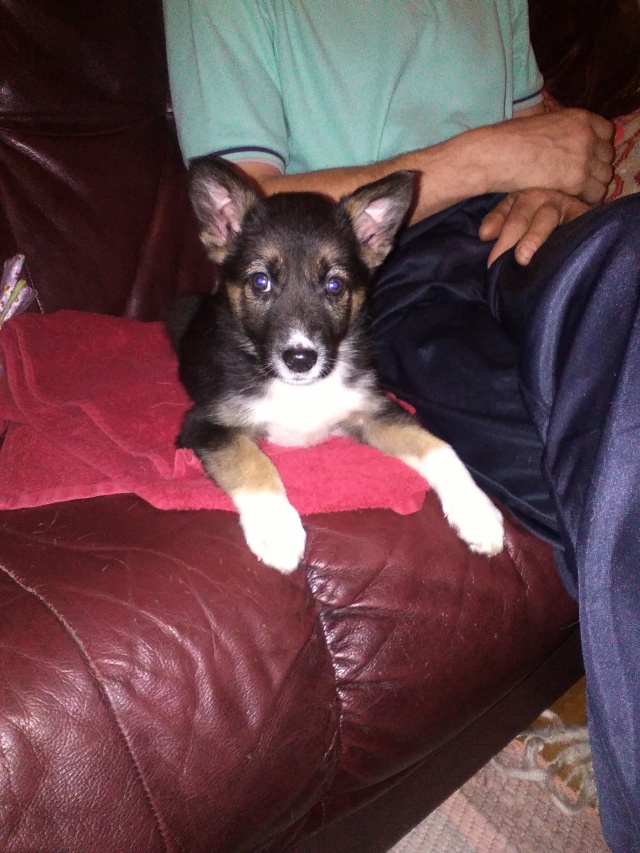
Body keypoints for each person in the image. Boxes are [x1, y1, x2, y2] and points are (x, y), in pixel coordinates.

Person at [162, 2, 640, 848]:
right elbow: (263, 213)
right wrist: (485, 158)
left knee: (625, 265)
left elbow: (544, 128)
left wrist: (576, 178)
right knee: (598, 470)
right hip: (402, 260)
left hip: (538, 226)